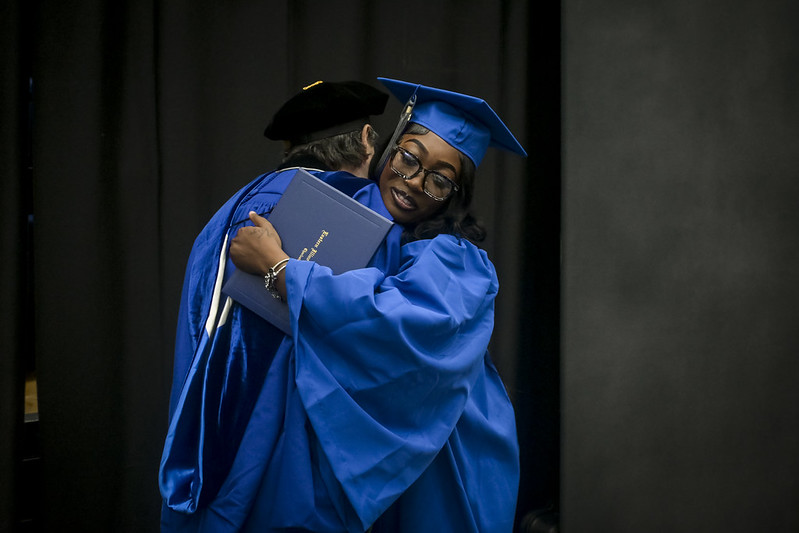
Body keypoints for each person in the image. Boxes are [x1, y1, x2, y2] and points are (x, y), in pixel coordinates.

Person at [223, 78, 527, 532]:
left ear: (455, 196)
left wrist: (280, 269)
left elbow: (394, 323)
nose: (413, 183)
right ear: (388, 147)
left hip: (446, 440)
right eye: (408, 158)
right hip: (381, 440)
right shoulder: (364, 222)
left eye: (440, 180)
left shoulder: (456, 258)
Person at [159, 80, 394, 528]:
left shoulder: (236, 207)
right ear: (367, 138)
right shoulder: (350, 214)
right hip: (288, 475)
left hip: (204, 453)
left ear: (291, 147)